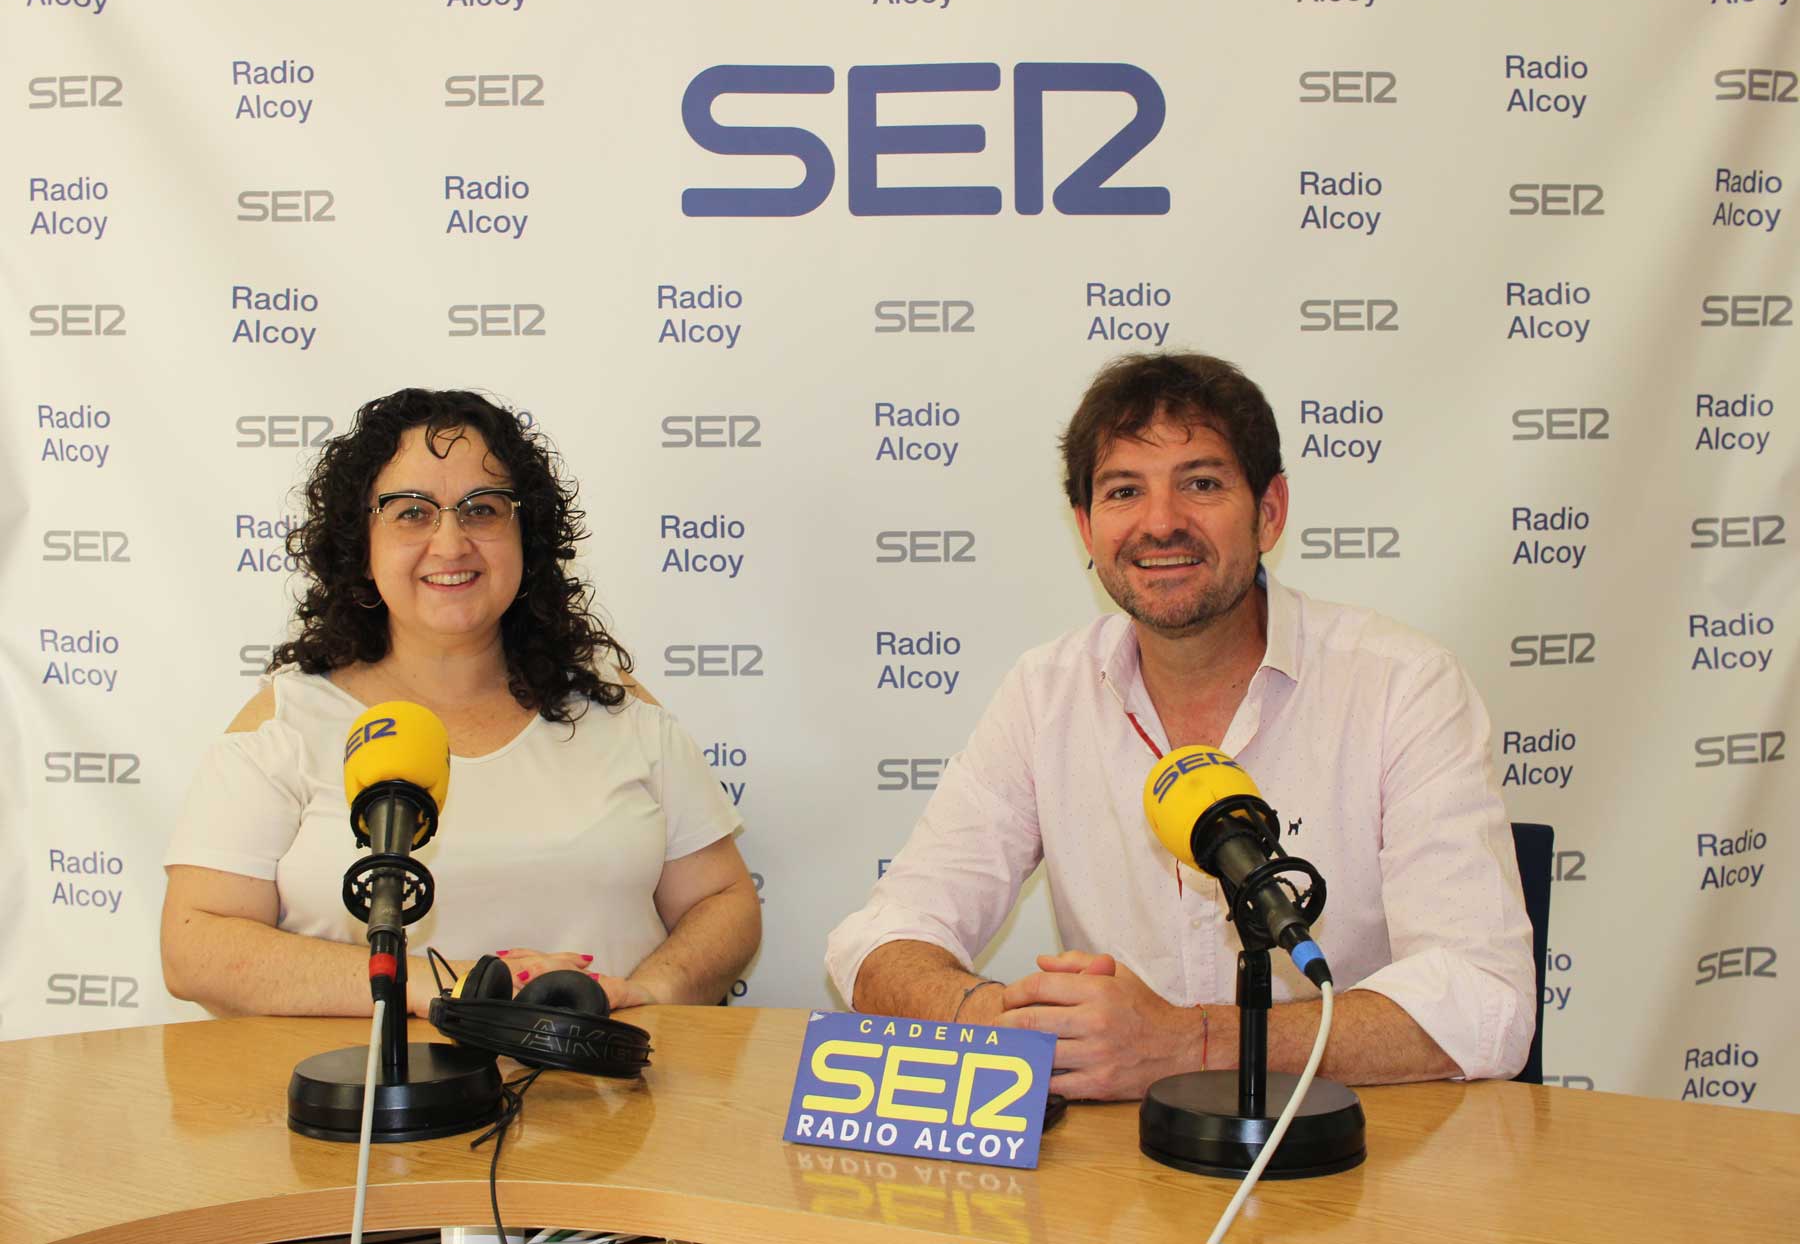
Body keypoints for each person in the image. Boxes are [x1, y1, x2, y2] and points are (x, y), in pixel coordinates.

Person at [826, 353, 1534, 1099]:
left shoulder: (1402, 684)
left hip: (1360, 1155)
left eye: (1201, 483)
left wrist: (1188, 1041)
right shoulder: (1046, 692)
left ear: (1269, 511)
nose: (1160, 523)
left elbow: (1487, 998)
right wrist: (1006, 1025)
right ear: (1086, 529)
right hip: (1130, 1170)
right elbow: (879, 938)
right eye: (1124, 491)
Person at [162, 389, 760, 1018]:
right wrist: (440, 985)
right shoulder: (286, 722)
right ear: (359, 544)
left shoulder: (613, 705)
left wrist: (648, 993)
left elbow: (721, 902)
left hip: (605, 1101)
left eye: (482, 508)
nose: (450, 543)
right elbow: (194, 946)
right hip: (375, 1109)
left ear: (525, 537)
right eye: (410, 512)